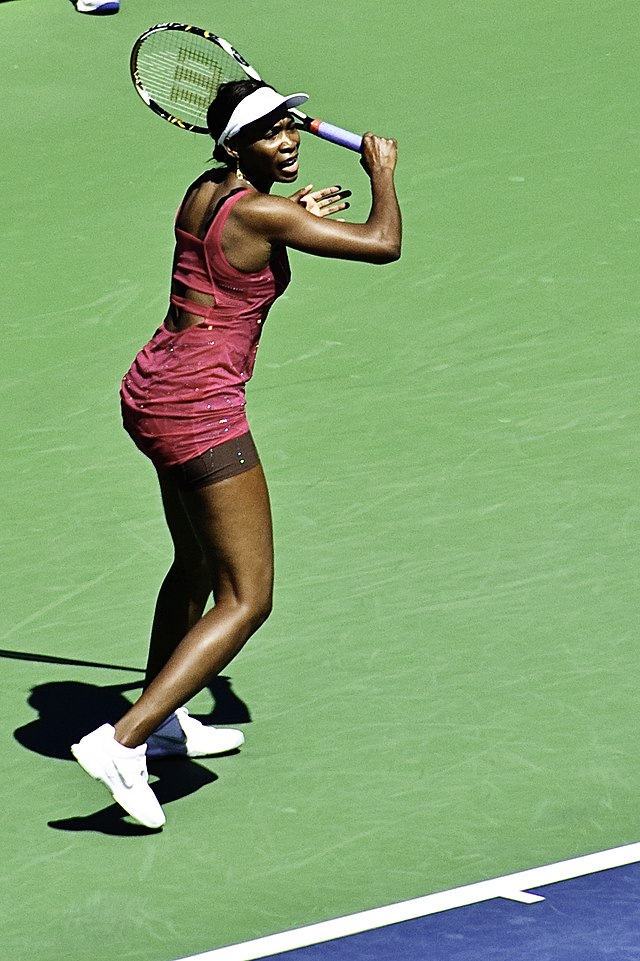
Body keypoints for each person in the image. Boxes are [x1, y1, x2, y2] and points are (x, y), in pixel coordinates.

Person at [71, 79, 401, 828]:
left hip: (152, 389)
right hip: (198, 411)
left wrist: (293, 218)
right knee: (248, 596)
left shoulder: (209, 192)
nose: (288, 142)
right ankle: (119, 740)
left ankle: (159, 718)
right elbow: (384, 245)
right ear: (235, 146)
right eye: (270, 133)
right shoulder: (262, 210)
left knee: (193, 566)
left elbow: (248, 241)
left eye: (291, 128)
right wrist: (381, 172)